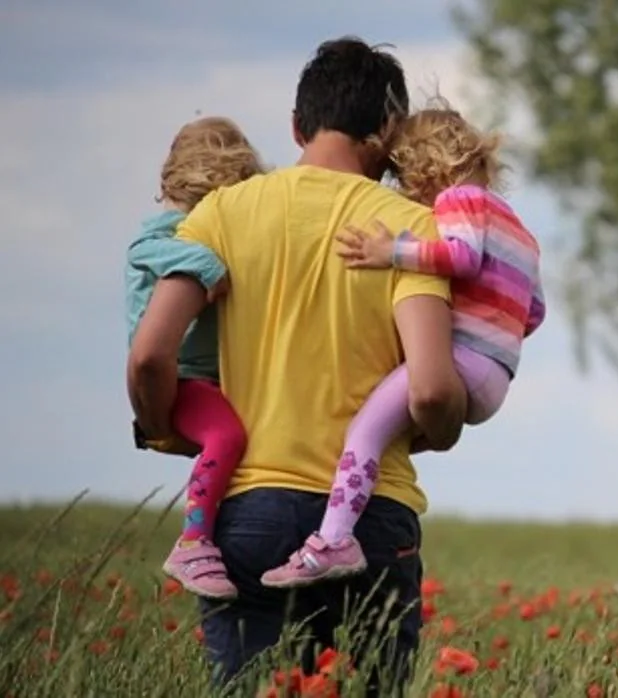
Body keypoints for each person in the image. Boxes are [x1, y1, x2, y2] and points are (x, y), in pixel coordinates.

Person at [126, 37, 466, 693]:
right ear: (389, 132)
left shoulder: (221, 213)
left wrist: (165, 426)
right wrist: (443, 428)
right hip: (371, 520)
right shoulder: (409, 229)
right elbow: (430, 389)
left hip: (246, 512)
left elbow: (148, 354)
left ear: (296, 125)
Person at [261, 104, 546, 588]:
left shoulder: (459, 200)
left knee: (364, 432)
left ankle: (333, 540)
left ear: (427, 165)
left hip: (463, 361)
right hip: (497, 374)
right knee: (390, 431)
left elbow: (460, 257)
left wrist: (389, 252)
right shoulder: (521, 230)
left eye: (403, 176)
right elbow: (533, 312)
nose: (404, 191)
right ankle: (348, 518)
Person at [125, 116, 261, 600]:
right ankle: (193, 540)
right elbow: (149, 251)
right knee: (227, 435)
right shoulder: (167, 233)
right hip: (182, 378)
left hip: (207, 377)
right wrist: (208, 265)